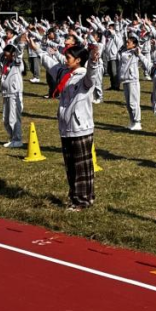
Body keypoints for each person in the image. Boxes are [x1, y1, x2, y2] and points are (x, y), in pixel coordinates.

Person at [41, 43, 101, 211]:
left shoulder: (84, 78)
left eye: (68, 57)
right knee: (71, 166)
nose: (65, 60)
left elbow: (92, 74)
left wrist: (93, 60)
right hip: (66, 127)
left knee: (82, 167)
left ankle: (83, 200)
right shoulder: (66, 74)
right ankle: (76, 196)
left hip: (80, 128)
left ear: (78, 60)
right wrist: (37, 49)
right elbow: (51, 65)